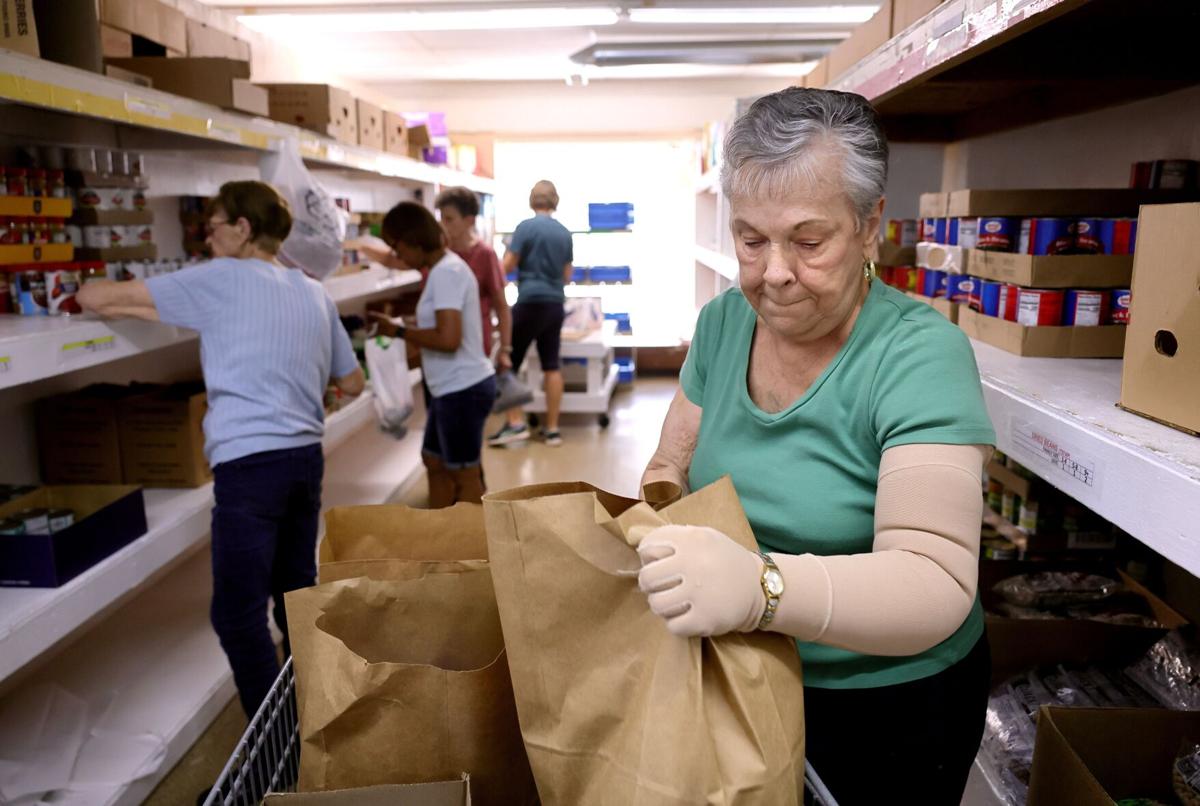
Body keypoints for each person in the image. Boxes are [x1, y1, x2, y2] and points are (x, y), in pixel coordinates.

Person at [636, 88, 996, 804]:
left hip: (886, 706)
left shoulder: (920, 356)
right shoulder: (721, 326)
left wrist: (758, 587)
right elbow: (671, 465)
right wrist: (658, 523)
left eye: (807, 241)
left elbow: (935, 583)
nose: (773, 273)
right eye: (750, 239)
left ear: (869, 229)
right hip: (745, 669)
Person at [77, 180, 365, 718]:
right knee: (295, 598)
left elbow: (97, 298)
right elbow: (352, 385)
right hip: (304, 462)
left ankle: (271, 747)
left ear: (242, 229)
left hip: (248, 469)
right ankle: (315, 724)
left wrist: (102, 291)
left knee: (236, 615)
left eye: (212, 228)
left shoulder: (220, 279)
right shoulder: (312, 290)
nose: (206, 240)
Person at [372, 202, 496, 507]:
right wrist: (406, 325)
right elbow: (443, 324)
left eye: (396, 247)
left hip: (462, 389)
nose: (397, 256)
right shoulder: (443, 270)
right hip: (450, 389)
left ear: (413, 238)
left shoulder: (446, 273)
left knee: (465, 473)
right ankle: (442, 533)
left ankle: (477, 547)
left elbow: (448, 338)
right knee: (433, 459)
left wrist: (399, 332)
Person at [487, 180, 573, 448]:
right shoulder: (564, 232)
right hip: (555, 304)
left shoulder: (525, 228)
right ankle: (552, 430)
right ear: (555, 201)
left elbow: (506, 266)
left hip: (529, 302)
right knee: (551, 364)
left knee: (508, 360)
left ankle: (516, 424)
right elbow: (567, 275)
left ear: (532, 200)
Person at [434, 186, 512, 364]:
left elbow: (501, 305)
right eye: (441, 219)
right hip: (441, 347)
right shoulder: (439, 254)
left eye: (449, 219)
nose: (443, 225)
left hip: (475, 347)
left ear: (469, 220)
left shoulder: (485, 255)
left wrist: (505, 349)